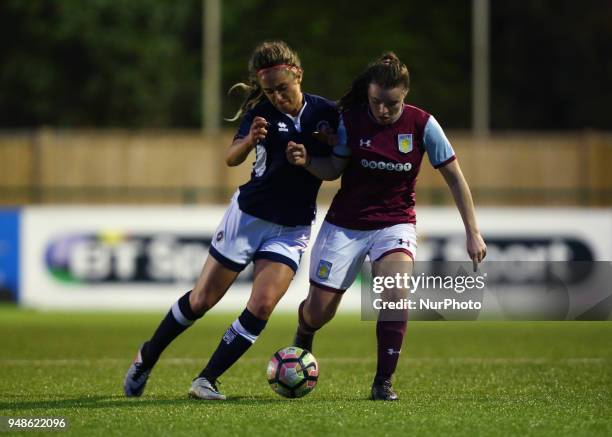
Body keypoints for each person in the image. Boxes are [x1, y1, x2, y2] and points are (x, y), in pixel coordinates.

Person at [124, 40, 339, 400]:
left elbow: (337, 164)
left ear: (298, 74)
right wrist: (250, 138)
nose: (277, 97)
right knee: (202, 300)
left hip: (292, 227)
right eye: (270, 91)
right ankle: (147, 356)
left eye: (282, 88)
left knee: (263, 305)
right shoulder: (261, 112)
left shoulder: (328, 113)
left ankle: (206, 379)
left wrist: (331, 144)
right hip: (249, 218)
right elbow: (231, 157)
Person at [286, 52, 487, 401]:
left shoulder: (423, 125)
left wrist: (473, 231)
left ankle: (383, 382)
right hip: (346, 225)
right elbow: (334, 170)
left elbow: (455, 178)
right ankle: (304, 335)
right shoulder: (351, 120)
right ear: (369, 94)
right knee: (318, 311)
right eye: (376, 101)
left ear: (404, 95)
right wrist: (307, 162)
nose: (382, 110)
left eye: (391, 104)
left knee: (395, 293)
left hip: (395, 223)